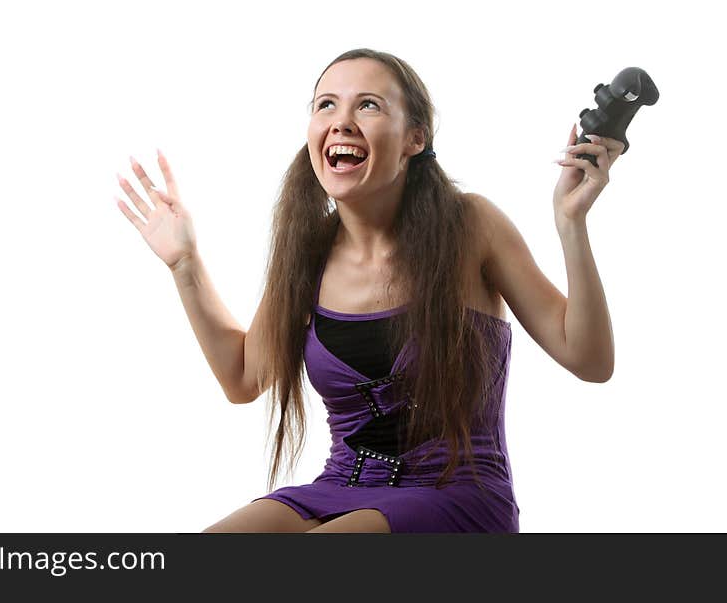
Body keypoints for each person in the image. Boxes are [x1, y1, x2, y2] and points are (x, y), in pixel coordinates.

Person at [115, 48, 621, 532]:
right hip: (342, 485)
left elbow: (590, 360)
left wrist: (571, 223)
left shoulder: (471, 226)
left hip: (458, 494)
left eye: (369, 105)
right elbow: (243, 378)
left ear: (414, 138)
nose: (341, 121)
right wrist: (185, 264)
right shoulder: (308, 250)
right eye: (326, 105)